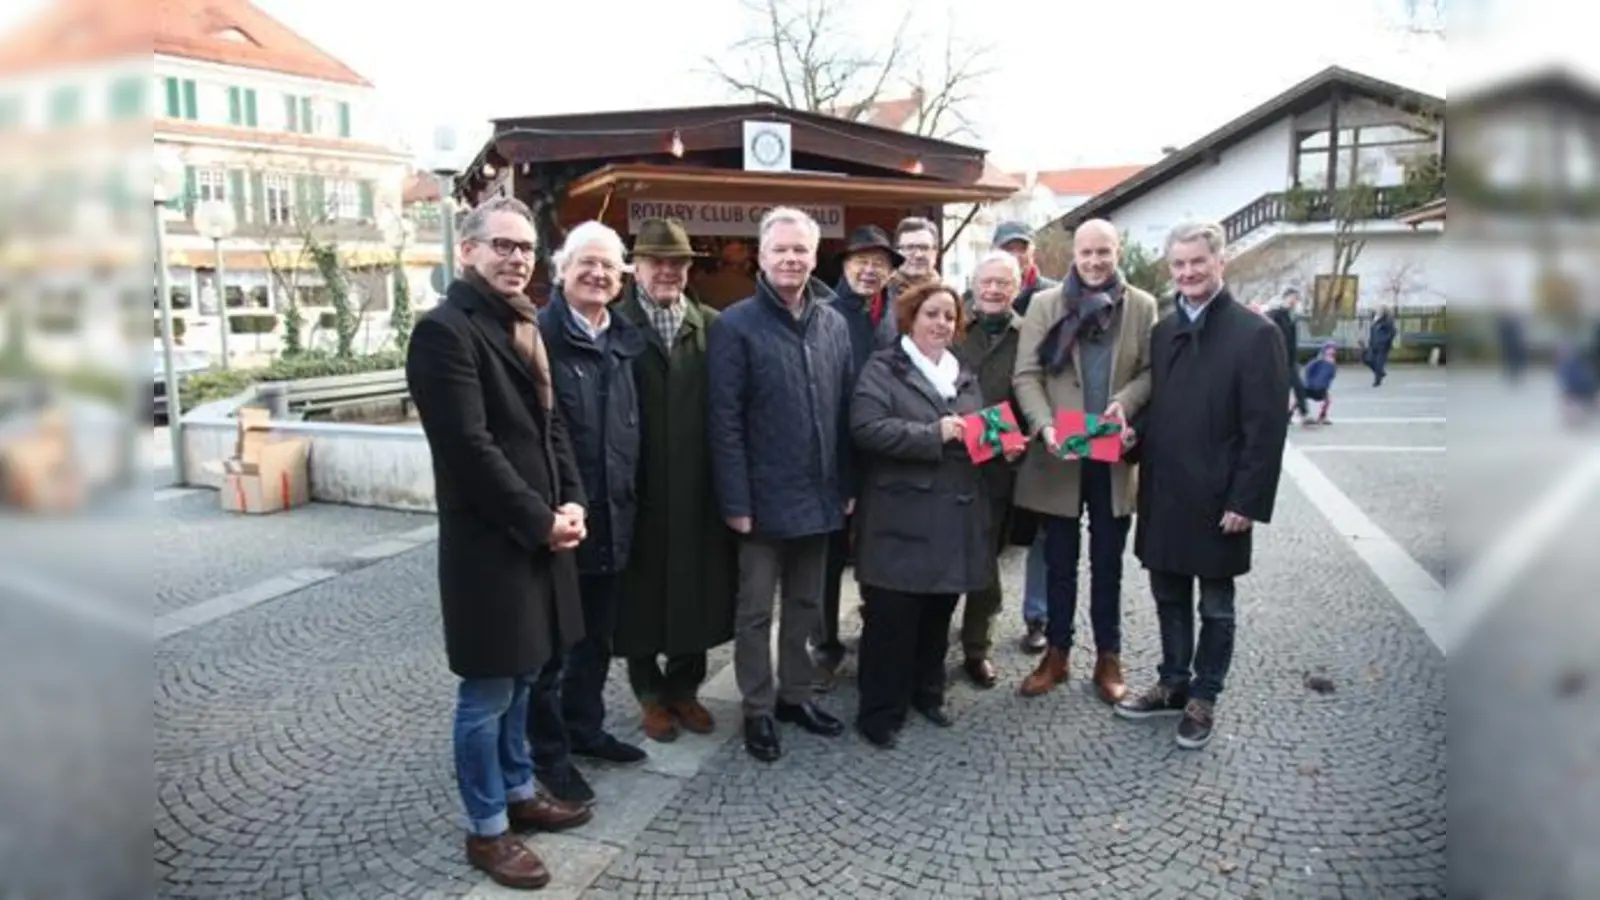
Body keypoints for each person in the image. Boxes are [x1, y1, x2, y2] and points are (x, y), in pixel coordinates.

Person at [405, 196, 592, 890]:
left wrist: (572, 499)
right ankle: (487, 831)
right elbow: (468, 450)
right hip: (491, 548)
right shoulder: (444, 332)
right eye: (501, 246)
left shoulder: (524, 322)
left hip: (539, 536)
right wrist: (539, 519)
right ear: (467, 251)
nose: (516, 258)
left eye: (524, 248)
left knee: (524, 680)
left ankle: (519, 792)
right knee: (486, 694)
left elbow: (552, 428)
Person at [1115, 222, 1290, 751]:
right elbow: (1162, 410)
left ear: (1220, 264)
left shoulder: (1258, 335)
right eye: (1179, 264)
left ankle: (1203, 695)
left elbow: (1266, 430)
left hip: (1220, 498)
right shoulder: (1164, 331)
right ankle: (1172, 682)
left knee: (1215, 605)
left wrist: (1247, 500)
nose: (1187, 272)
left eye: (1197, 262)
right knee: (1168, 595)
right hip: (1166, 491)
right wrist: (1130, 437)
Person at [708, 206, 854, 763]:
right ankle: (758, 709)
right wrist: (736, 499)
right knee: (754, 612)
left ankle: (795, 695)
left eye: (801, 250)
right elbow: (723, 420)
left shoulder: (833, 322)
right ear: (762, 257)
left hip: (819, 492)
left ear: (814, 257)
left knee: (804, 603)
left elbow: (842, 412)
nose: (791, 259)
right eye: (781, 250)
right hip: (761, 499)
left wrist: (847, 481)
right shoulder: (735, 325)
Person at [851, 281, 1011, 748]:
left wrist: (1003, 445)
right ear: (910, 319)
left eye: (949, 316)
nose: (941, 324)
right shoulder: (884, 368)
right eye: (932, 314)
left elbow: (976, 429)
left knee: (938, 612)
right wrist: (932, 434)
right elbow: (865, 428)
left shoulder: (962, 372)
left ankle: (928, 691)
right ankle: (880, 710)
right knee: (891, 619)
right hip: (901, 515)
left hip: (956, 514)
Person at [1012, 218, 1158, 706]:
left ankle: (1108, 657)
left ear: (1118, 252)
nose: (1095, 262)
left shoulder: (1141, 306)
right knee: (1058, 562)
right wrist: (1043, 424)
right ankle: (1056, 653)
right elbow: (1026, 375)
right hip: (1059, 452)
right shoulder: (1044, 305)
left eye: (1104, 252)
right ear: (1073, 255)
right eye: (1086, 253)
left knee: (1107, 563)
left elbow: (1150, 371)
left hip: (1110, 453)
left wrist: (1127, 402)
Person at [529, 221, 649, 796]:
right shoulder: (539, 337)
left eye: (609, 265)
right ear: (561, 270)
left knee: (598, 638)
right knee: (552, 649)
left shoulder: (624, 342)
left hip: (613, 517)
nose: (598, 274)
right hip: (561, 522)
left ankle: (585, 727)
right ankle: (548, 756)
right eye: (586, 263)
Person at [609, 218, 737, 743]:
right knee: (638, 595)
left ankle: (685, 689)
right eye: (656, 261)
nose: (667, 271)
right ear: (636, 267)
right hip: (635, 487)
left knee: (697, 590)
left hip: (697, 485)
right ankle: (649, 693)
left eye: (677, 262)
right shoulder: (613, 325)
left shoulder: (713, 325)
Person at [814, 225, 905, 675]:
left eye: (879, 263)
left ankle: (877, 630)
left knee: (880, 545)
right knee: (829, 554)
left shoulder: (896, 313)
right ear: (845, 266)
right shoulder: (824, 313)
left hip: (884, 451)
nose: (870, 271)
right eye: (861, 262)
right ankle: (825, 642)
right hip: (835, 451)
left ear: (890, 272)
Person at [950, 250, 1028, 688]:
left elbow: (1035, 390)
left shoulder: (1029, 333)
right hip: (949, 462)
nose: (995, 290)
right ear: (974, 284)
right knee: (941, 553)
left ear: (1017, 288)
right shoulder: (953, 322)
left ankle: (977, 648)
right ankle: (928, 641)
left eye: (1004, 283)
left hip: (1000, 467)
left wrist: (1024, 440)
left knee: (984, 561)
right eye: (988, 282)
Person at [990, 220, 1061, 317]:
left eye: (1022, 248)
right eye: (1008, 249)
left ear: (1033, 252)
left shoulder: (1055, 295)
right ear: (993, 252)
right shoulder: (979, 297)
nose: (1015, 255)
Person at [1268, 289, 1308, 422]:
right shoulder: (1276, 314)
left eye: (1296, 299)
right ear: (1285, 298)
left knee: (1296, 386)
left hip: (1290, 359)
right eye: (1292, 298)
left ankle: (1298, 412)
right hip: (1280, 358)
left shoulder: (1291, 316)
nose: (1294, 301)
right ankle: (1291, 414)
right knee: (1284, 389)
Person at [1301, 340, 1338, 425]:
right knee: (1299, 399)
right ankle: (1289, 415)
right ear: (1325, 350)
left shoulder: (1333, 364)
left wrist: (1326, 385)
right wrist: (1309, 381)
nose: (1332, 351)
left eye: (1333, 349)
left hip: (1321, 387)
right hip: (1310, 386)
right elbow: (1308, 370)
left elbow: (1331, 376)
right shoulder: (1318, 361)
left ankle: (1322, 416)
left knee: (1327, 400)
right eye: (1329, 348)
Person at [1364, 305, 1396, 387]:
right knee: (1368, 360)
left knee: (1379, 363)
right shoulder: (1374, 319)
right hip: (1373, 344)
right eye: (1377, 309)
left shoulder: (1387, 320)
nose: (1378, 311)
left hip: (1383, 346)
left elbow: (1392, 332)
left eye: (1380, 310)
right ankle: (1380, 372)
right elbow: (1372, 332)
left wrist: (1385, 340)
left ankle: (1377, 381)